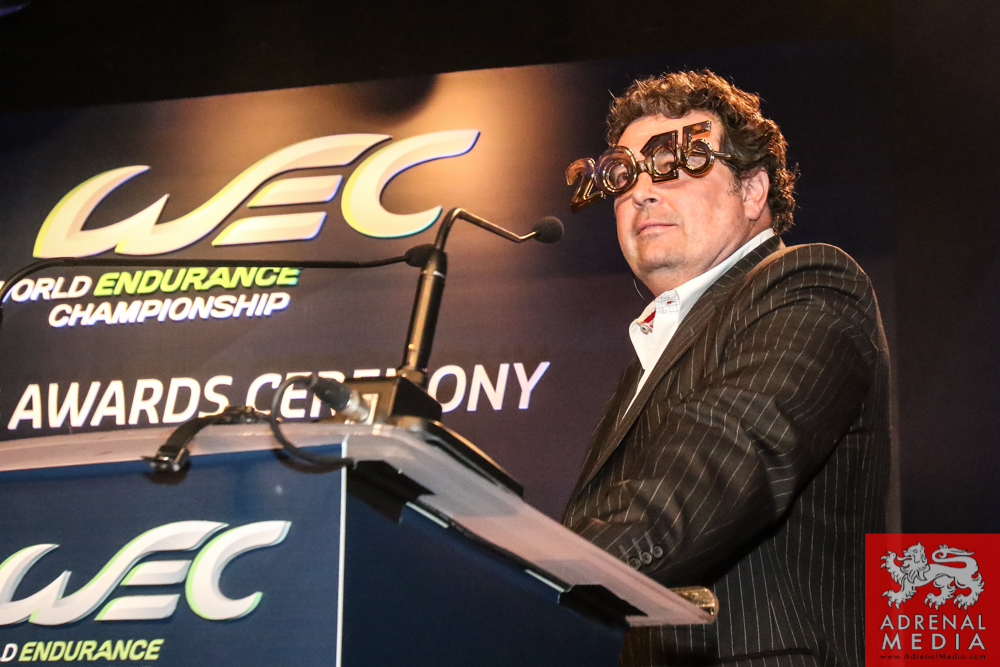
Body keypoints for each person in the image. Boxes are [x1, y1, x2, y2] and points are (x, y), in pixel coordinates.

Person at [562, 70, 890, 667]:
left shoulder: (811, 285)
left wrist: (541, 582)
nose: (641, 192)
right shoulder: (655, 348)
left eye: (673, 164)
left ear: (752, 191)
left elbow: (714, 469)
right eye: (625, 175)